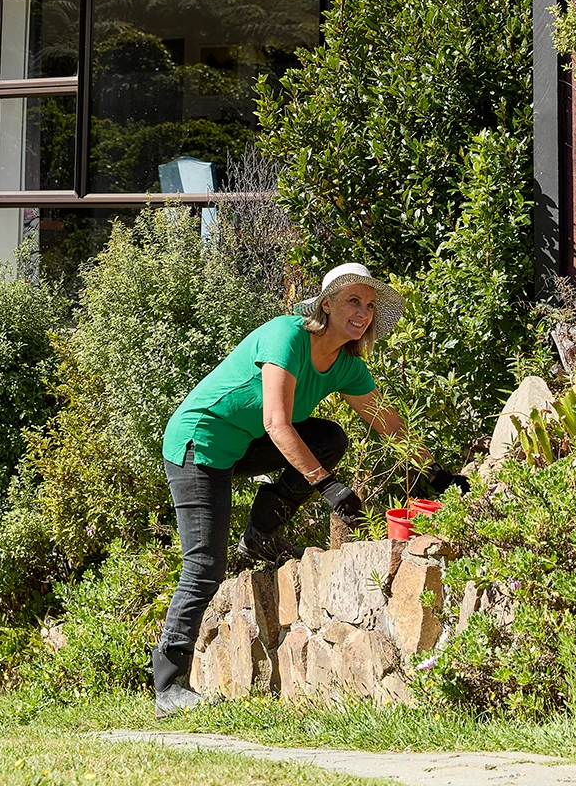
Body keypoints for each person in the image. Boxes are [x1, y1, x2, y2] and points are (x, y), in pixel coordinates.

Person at [150, 262, 405, 715]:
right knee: (205, 564)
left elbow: (387, 422)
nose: (363, 312)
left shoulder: (347, 365)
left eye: (369, 305)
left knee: (329, 438)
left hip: (245, 445)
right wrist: (327, 487)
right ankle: (169, 686)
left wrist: (434, 470)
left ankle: (260, 532)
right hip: (200, 440)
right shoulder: (286, 336)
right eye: (353, 300)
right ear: (325, 305)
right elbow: (276, 423)